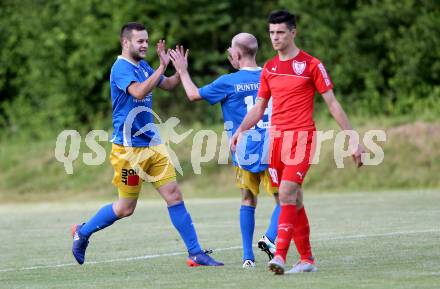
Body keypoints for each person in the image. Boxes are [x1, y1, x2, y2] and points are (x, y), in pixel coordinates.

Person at [71, 22, 223, 267]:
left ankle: (195, 252)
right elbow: (139, 92)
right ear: (125, 42)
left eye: (146, 40)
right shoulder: (120, 68)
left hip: (153, 144)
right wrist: (161, 66)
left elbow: (169, 85)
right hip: (129, 152)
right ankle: (83, 231)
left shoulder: (143, 66)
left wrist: (180, 71)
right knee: (125, 208)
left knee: (174, 195)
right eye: (140, 41)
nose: (145, 45)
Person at [230, 11, 365, 274]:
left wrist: (353, 138)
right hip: (276, 140)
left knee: (287, 192)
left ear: (293, 32)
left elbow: (333, 104)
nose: (275, 38)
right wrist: (240, 130)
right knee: (294, 199)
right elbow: (259, 107)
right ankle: (307, 260)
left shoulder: (312, 65)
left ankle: (279, 255)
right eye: (271, 33)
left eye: (280, 32)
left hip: (302, 137)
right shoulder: (269, 68)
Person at [169, 33, 280, 268]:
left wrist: (182, 71)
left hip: (244, 152)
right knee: (285, 200)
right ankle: (270, 238)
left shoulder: (228, 81)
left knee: (248, 199)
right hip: (272, 148)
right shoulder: (271, 75)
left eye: (231, 50)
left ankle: (248, 257)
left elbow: (192, 94)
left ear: (237, 54)